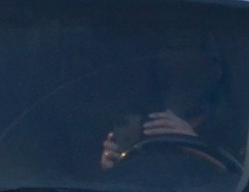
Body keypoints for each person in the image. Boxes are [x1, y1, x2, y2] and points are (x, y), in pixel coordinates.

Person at [99, 48, 233, 172]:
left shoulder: (239, 131)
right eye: (166, 76)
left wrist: (194, 146)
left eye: (185, 75)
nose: (174, 84)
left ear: (212, 76)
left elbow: (238, 179)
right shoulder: (142, 128)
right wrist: (113, 166)